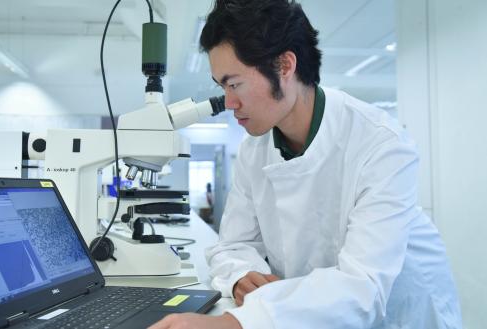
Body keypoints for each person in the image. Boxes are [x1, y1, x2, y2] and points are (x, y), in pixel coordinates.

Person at [149, 1, 462, 328]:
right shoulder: (254, 150)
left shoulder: (380, 143)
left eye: (235, 83)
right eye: (222, 87)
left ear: (284, 65)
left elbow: (362, 288)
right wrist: (242, 275)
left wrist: (232, 324)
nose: (229, 103)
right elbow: (233, 244)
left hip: (401, 314)